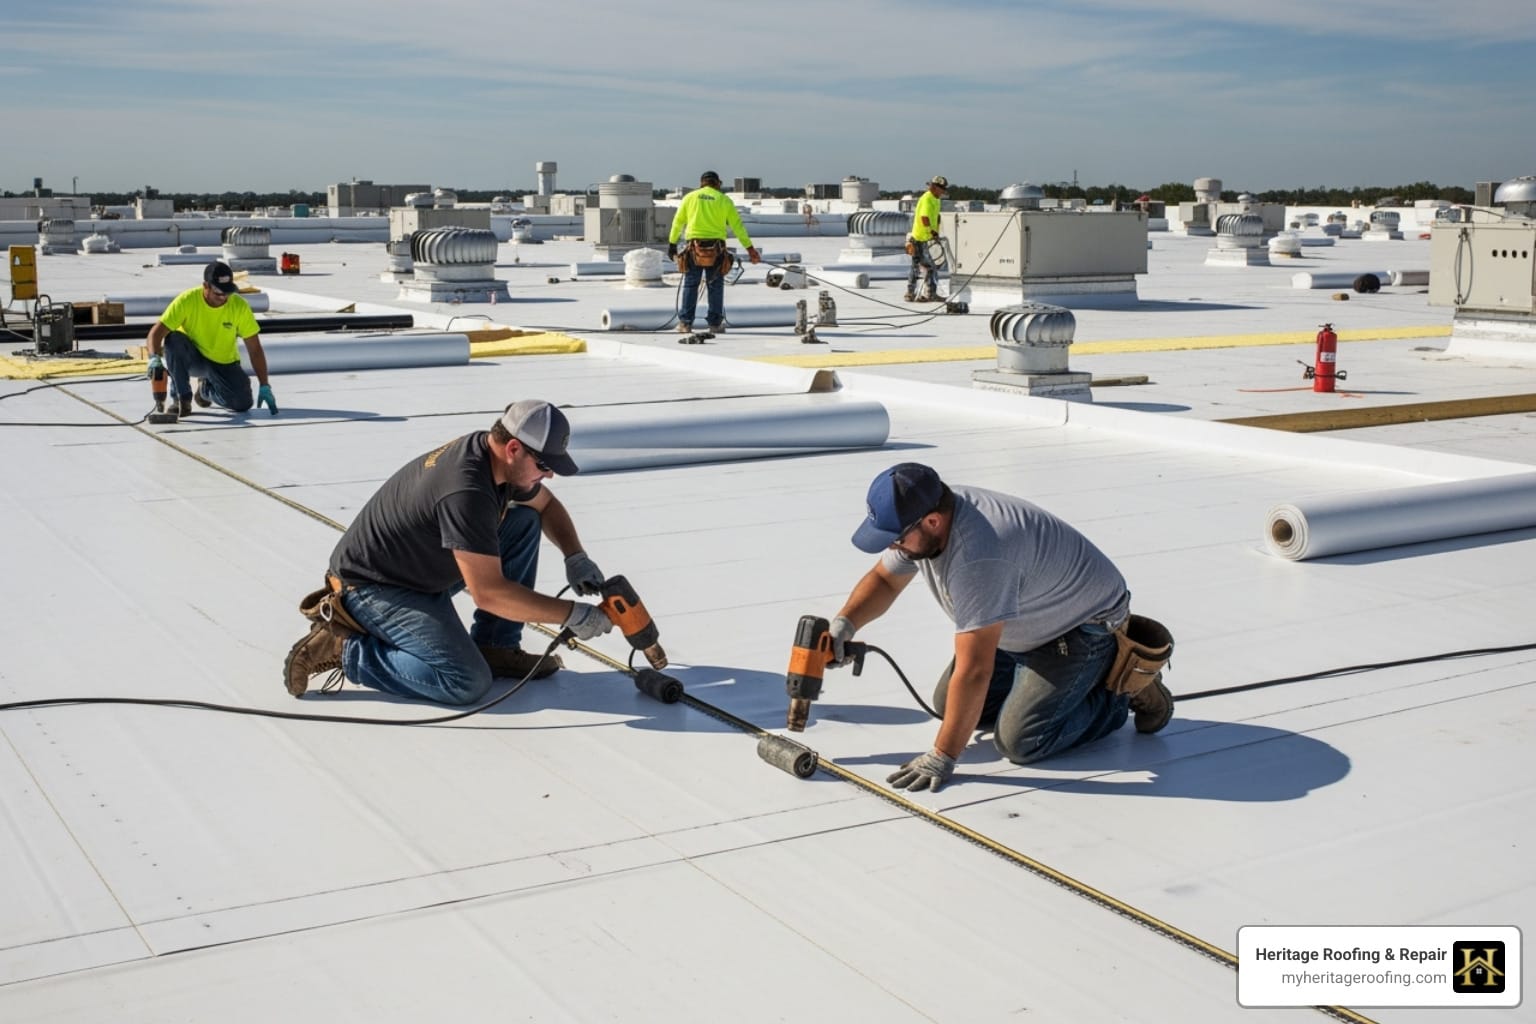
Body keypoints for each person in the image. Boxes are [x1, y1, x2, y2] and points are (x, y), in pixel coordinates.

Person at [826, 463, 1173, 793]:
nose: (892, 546)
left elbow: (976, 669)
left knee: (1021, 741)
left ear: (932, 521)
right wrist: (846, 623)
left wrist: (943, 756)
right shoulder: (927, 516)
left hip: (1080, 629)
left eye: (896, 538)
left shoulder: (980, 558)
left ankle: (1122, 692)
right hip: (1023, 620)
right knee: (950, 706)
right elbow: (885, 582)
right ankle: (1053, 690)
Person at [283, 400, 617, 704]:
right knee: (465, 681)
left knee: (524, 520)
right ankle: (346, 650)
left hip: (418, 570)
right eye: (544, 465)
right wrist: (572, 614)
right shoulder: (466, 490)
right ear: (514, 448)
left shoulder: (493, 456)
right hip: (374, 588)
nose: (549, 474)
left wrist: (575, 556)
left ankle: (495, 646)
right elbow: (488, 593)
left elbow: (545, 506)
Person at [146, 260, 277, 416]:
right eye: (218, 292)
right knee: (173, 339)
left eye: (227, 292)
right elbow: (156, 333)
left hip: (223, 362)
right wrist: (154, 358)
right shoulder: (187, 300)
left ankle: (205, 390)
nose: (224, 297)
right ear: (205, 286)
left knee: (242, 403)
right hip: (194, 359)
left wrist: (264, 385)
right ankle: (180, 399)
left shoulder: (239, 306)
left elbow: (255, 349)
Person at [666, 170, 761, 335]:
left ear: (701, 183)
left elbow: (678, 222)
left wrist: (672, 244)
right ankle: (715, 324)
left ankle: (685, 323)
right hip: (716, 250)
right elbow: (738, 227)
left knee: (690, 284)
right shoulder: (724, 200)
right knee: (715, 286)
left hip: (693, 249)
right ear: (717, 183)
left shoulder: (690, 197)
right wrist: (750, 249)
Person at [905, 175, 948, 303]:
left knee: (918, 266)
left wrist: (937, 229)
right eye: (941, 189)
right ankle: (929, 293)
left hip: (923, 237)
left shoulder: (936, 199)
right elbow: (924, 218)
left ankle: (911, 293)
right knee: (930, 266)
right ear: (934, 187)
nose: (942, 192)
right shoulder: (927, 198)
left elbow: (936, 217)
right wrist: (933, 233)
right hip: (921, 238)